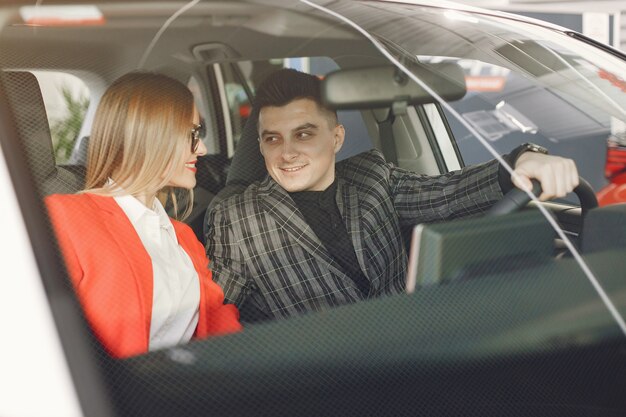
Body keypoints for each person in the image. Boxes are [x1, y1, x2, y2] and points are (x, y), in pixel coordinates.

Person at [205, 68, 579, 322]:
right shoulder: (235, 214)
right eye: (273, 139)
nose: (286, 152)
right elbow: (217, 311)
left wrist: (520, 160)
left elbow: (447, 194)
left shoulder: (372, 176)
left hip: (413, 355)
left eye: (304, 134)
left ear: (337, 137)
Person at [46, 72, 242, 358]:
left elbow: (216, 320)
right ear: (150, 134)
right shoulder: (66, 218)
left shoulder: (183, 237)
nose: (203, 149)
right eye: (192, 135)